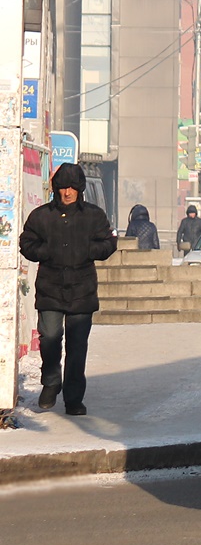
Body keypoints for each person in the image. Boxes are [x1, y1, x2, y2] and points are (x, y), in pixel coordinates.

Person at [18, 162, 118, 416]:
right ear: (56, 188)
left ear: (80, 189)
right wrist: (45, 252)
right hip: (50, 289)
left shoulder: (93, 216)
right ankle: (51, 382)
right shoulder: (41, 216)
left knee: (77, 347)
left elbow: (108, 243)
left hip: (82, 290)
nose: (68, 192)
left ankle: (74, 398)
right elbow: (26, 242)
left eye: (73, 187)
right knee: (50, 338)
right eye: (63, 187)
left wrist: (88, 251)